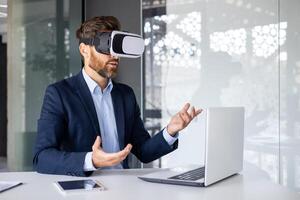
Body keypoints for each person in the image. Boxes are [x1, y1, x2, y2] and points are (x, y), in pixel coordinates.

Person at [33, 16, 202, 176]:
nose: (114, 56)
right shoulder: (60, 94)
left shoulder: (125, 95)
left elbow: (144, 151)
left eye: (117, 47)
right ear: (84, 50)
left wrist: (170, 131)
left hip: (125, 187)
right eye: (106, 46)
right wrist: (91, 160)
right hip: (85, 187)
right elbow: (41, 158)